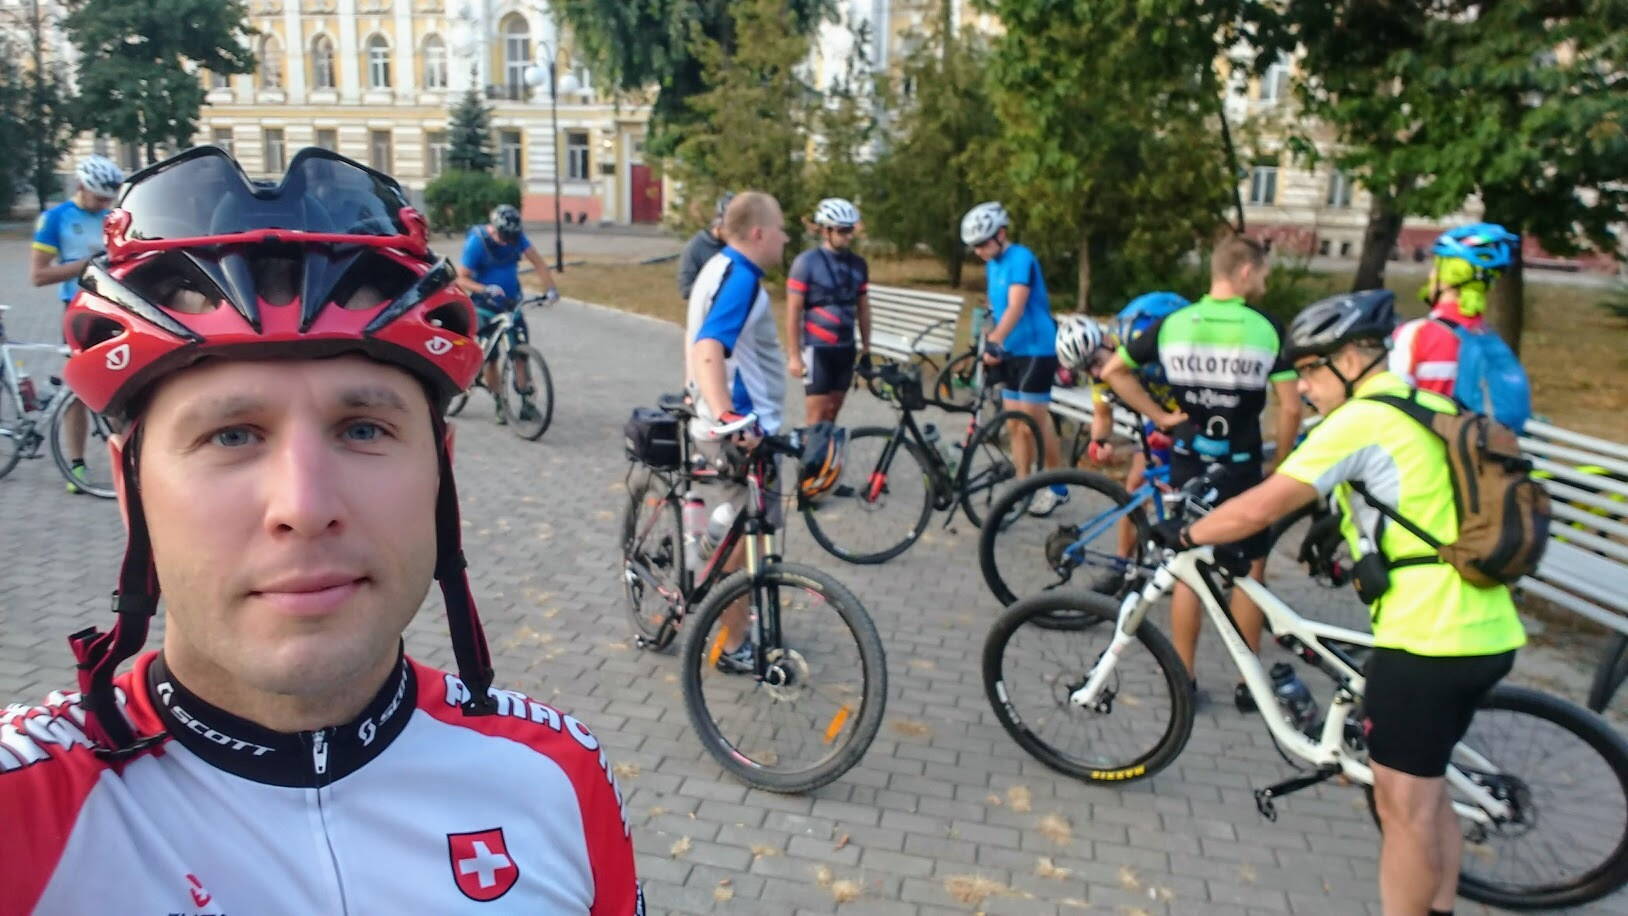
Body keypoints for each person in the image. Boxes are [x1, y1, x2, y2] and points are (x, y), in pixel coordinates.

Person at [0, 147, 641, 914]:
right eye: (231, 436)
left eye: (363, 429)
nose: (303, 507)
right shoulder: (23, 808)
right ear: (130, 486)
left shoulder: (558, 777)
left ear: (441, 471)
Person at [1148, 288, 1523, 916]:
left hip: (1426, 639)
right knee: (1428, 794)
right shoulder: (1430, 404)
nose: (1303, 387)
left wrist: (1188, 534)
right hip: (1487, 629)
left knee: (1403, 809)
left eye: (1311, 370)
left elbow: (1266, 502)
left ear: (1352, 359)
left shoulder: (1361, 419)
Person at [1100, 234, 1301, 708]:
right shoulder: (1266, 327)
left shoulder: (1173, 324)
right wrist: (1282, 465)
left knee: (1189, 570)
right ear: (1245, 271)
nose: (1266, 282)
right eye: (1264, 272)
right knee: (1250, 571)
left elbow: (1112, 372)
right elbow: (1291, 408)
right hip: (1241, 466)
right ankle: (1249, 684)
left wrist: (1161, 416)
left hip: (1188, 461)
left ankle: (1184, 679)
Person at [685, 191, 790, 674]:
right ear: (758, 233)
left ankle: (713, 559)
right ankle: (733, 644)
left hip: (723, 422)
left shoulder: (720, 266)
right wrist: (727, 415)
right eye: (781, 229)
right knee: (746, 543)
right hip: (743, 431)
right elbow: (709, 345)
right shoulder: (742, 277)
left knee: (743, 536)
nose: (786, 239)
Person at [1055, 294, 1188, 593]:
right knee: (1136, 485)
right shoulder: (1100, 368)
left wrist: (1176, 427)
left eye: (1095, 362)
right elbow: (1102, 413)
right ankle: (1123, 566)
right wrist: (1099, 440)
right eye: (1086, 370)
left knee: (1192, 488)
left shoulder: (1142, 340)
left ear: (1106, 341)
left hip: (1191, 405)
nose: (1095, 373)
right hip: (1163, 414)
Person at [960, 201, 1068, 515]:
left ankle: (1058, 487)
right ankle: (1023, 486)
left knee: (1034, 423)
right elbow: (997, 308)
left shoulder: (1021, 258)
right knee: (1014, 425)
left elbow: (1016, 307)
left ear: (1001, 234)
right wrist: (991, 339)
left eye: (983, 243)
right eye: (974, 247)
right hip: (1012, 350)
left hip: (1037, 348)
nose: (979, 251)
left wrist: (995, 341)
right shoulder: (991, 264)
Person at [29, 154, 124, 493]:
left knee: (118, 384)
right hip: (78, 311)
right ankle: (77, 463)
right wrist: (89, 265)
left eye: (108, 200)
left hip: (115, 309)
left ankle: (125, 459)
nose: (104, 205)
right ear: (81, 186)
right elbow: (39, 275)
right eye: (98, 198)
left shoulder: (113, 217)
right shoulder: (55, 218)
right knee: (79, 392)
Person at [1390, 223, 1531, 431]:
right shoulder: (1487, 337)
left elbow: (1387, 406)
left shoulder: (1416, 334)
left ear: (1447, 279)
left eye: (1436, 268)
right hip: (1479, 447)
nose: (1431, 276)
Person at [454, 203, 559, 425]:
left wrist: (550, 289)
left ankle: (526, 402)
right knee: (491, 358)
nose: (510, 243)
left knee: (520, 353)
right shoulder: (478, 243)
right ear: (495, 230)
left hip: (512, 302)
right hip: (485, 305)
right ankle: (499, 401)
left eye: (513, 238)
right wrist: (484, 289)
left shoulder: (517, 238)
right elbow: (461, 278)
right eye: (506, 238)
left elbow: (538, 263)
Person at [786, 198, 871, 425]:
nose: (848, 236)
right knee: (816, 416)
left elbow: (863, 307)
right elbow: (793, 310)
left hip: (846, 347)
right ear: (826, 231)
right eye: (842, 230)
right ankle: (811, 449)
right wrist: (794, 356)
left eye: (850, 230)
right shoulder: (806, 263)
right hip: (817, 349)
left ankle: (828, 450)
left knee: (832, 413)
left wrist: (867, 348)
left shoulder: (858, 264)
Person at [677, 192, 735, 301]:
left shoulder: (738, 247)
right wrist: (717, 288)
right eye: (732, 228)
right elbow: (685, 290)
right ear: (718, 225)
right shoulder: (694, 248)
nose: (736, 234)